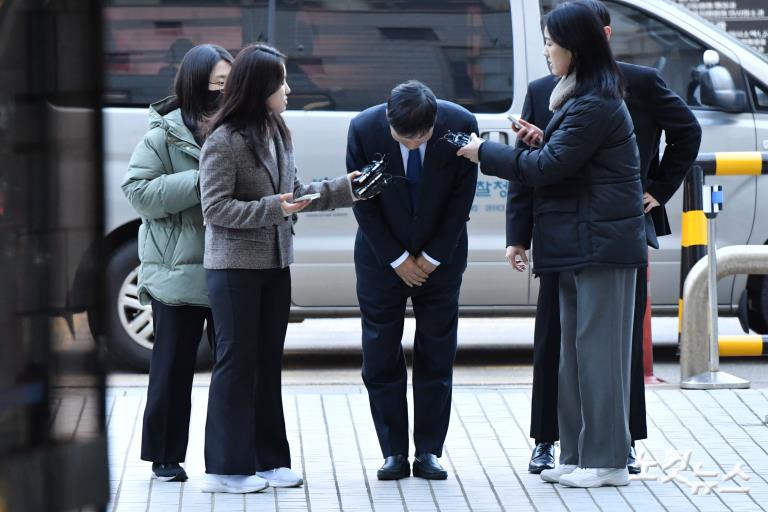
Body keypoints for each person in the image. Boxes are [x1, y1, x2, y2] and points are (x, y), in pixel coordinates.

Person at [505, 0, 702, 475]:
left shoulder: (632, 85)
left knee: (611, 347)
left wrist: (655, 190)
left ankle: (619, 444)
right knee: (559, 341)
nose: (549, 49)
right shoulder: (545, 89)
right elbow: (533, 168)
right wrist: (519, 235)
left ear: (599, 37)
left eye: (555, 41)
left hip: (608, 232)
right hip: (561, 233)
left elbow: (686, 133)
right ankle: (552, 442)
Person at [458, 2, 646, 488]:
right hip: (577, 242)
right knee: (575, 354)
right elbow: (564, 159)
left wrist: (486, 152)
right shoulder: (576, 99)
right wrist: (540, 138)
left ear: (575, 48)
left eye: (550, 42)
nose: (545, 51)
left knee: (599, 353)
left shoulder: (594, 103)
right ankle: (579, 453)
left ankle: (607, 461)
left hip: (599, 246)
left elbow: (547, 168)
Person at [198, 43, 361, 494]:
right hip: (234, 269)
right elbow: (215, 209)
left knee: (267, 362)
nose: (289, 89)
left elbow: (296, 193)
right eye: (281, 81)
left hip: (275, 263)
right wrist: (274, 207)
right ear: (258, 87)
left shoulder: (276, 132)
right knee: (235, 363)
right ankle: (225, 469)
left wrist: (347, 189)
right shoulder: (223, 139)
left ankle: (268, 460)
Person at [347, 80, 478, 481]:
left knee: (437, 353)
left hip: (443, 256)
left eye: (418, 139)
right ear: (388, 119)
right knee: (380, 354)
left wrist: (432, 257)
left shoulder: (460, 123)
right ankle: (392, 452)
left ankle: (428, 452)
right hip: (381, 258)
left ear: (434, 124)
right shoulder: (364, 129)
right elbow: (362, 200)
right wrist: (398, 259)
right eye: (401, 138)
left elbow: (461, 199)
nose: (409, 146)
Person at [122, 43, 233, 483]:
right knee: (171, 367)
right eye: (218, 84)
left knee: (235, 370)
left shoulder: (241, 129)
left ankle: (228, 457)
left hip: (232, 266)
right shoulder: (162, 135)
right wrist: (200, 178)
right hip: (177, 270)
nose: (225, 92)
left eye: (231, 83)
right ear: (195, 83)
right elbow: (139, 194)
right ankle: (165, 456)